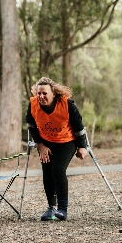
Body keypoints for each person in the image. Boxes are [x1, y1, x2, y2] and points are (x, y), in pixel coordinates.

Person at [25, 77, 88, 221]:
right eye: (39, 93)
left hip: (66, 141)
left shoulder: (66, 104)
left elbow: (78, 126)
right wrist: (40, 145)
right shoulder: (33, 103)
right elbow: (31, 125)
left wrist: (82, 146)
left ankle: (62, 209)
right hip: (46, 143)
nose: (41, 97)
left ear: (53, 93)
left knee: (58, 170)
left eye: (45, 93)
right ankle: (51, 208)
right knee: (47, 172)